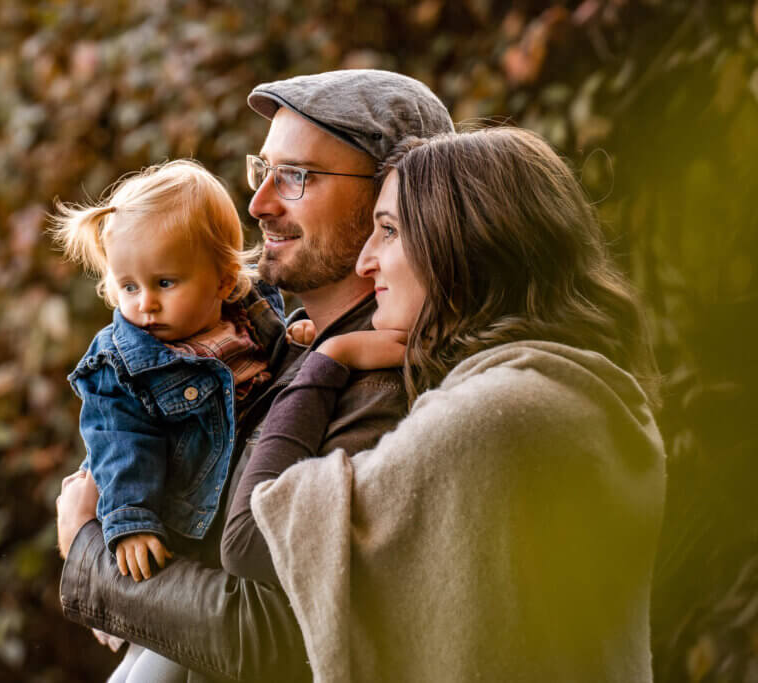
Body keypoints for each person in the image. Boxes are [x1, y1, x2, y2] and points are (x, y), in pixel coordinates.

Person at [56, 69, 455, 682]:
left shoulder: (380, 382)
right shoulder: (276, 341)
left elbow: (271, 634)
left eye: (296, 176)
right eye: (261, 169)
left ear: (388, 198)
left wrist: (88, 548)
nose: (258, 202)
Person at [232, 128, 666, 681]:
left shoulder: (490, 417)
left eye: (387, 231)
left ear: (464, 244)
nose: (367, 261)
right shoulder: (587, 396)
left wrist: (326, 360)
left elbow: (251, 537)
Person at [51, 159, 288, 682]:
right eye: (128, 286)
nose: (145, 305)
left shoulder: (253, 315)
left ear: (225, 282)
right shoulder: (124, 359)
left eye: (164, 282)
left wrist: (299, 337)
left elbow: (277, 354)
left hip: (222, 545)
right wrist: (130, 521)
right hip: (170, 533)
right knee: (152, 666)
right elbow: (118, 442)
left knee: (189, 658)